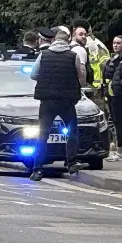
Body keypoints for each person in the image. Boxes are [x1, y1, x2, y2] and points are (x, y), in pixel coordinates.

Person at [29, 26, 84, 181]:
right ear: (68, 42)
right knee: (72, 132)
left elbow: (33, 75)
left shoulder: (43, 55)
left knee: (43, 134)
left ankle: (37, 169)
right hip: (66, 100)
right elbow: (81, 77)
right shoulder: (73, 56)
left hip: (47, 101)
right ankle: (71, 162)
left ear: (53, 40)